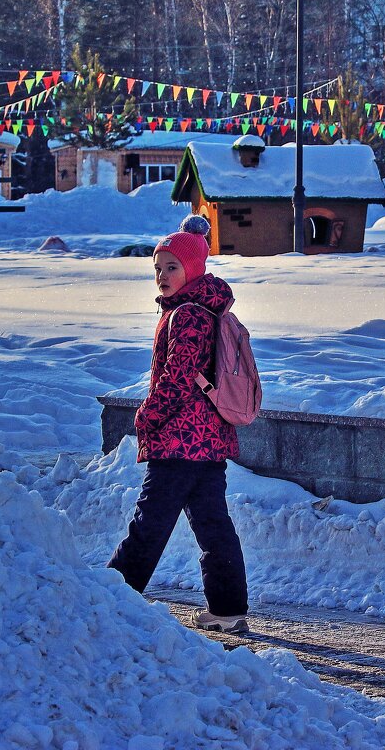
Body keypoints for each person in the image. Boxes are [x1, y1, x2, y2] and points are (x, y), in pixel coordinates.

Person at [108, 215, 250, 633]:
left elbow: (178, 376)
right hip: (207, 438)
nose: (162, 276)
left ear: (193, 269)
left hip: (180, 439)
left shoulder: (187, 315)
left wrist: (147, 415)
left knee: (149, 522)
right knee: (212, 524)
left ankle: (112, 599)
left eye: (172, 267)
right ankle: (227, 608)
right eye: (158, 268)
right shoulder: (202, 309)